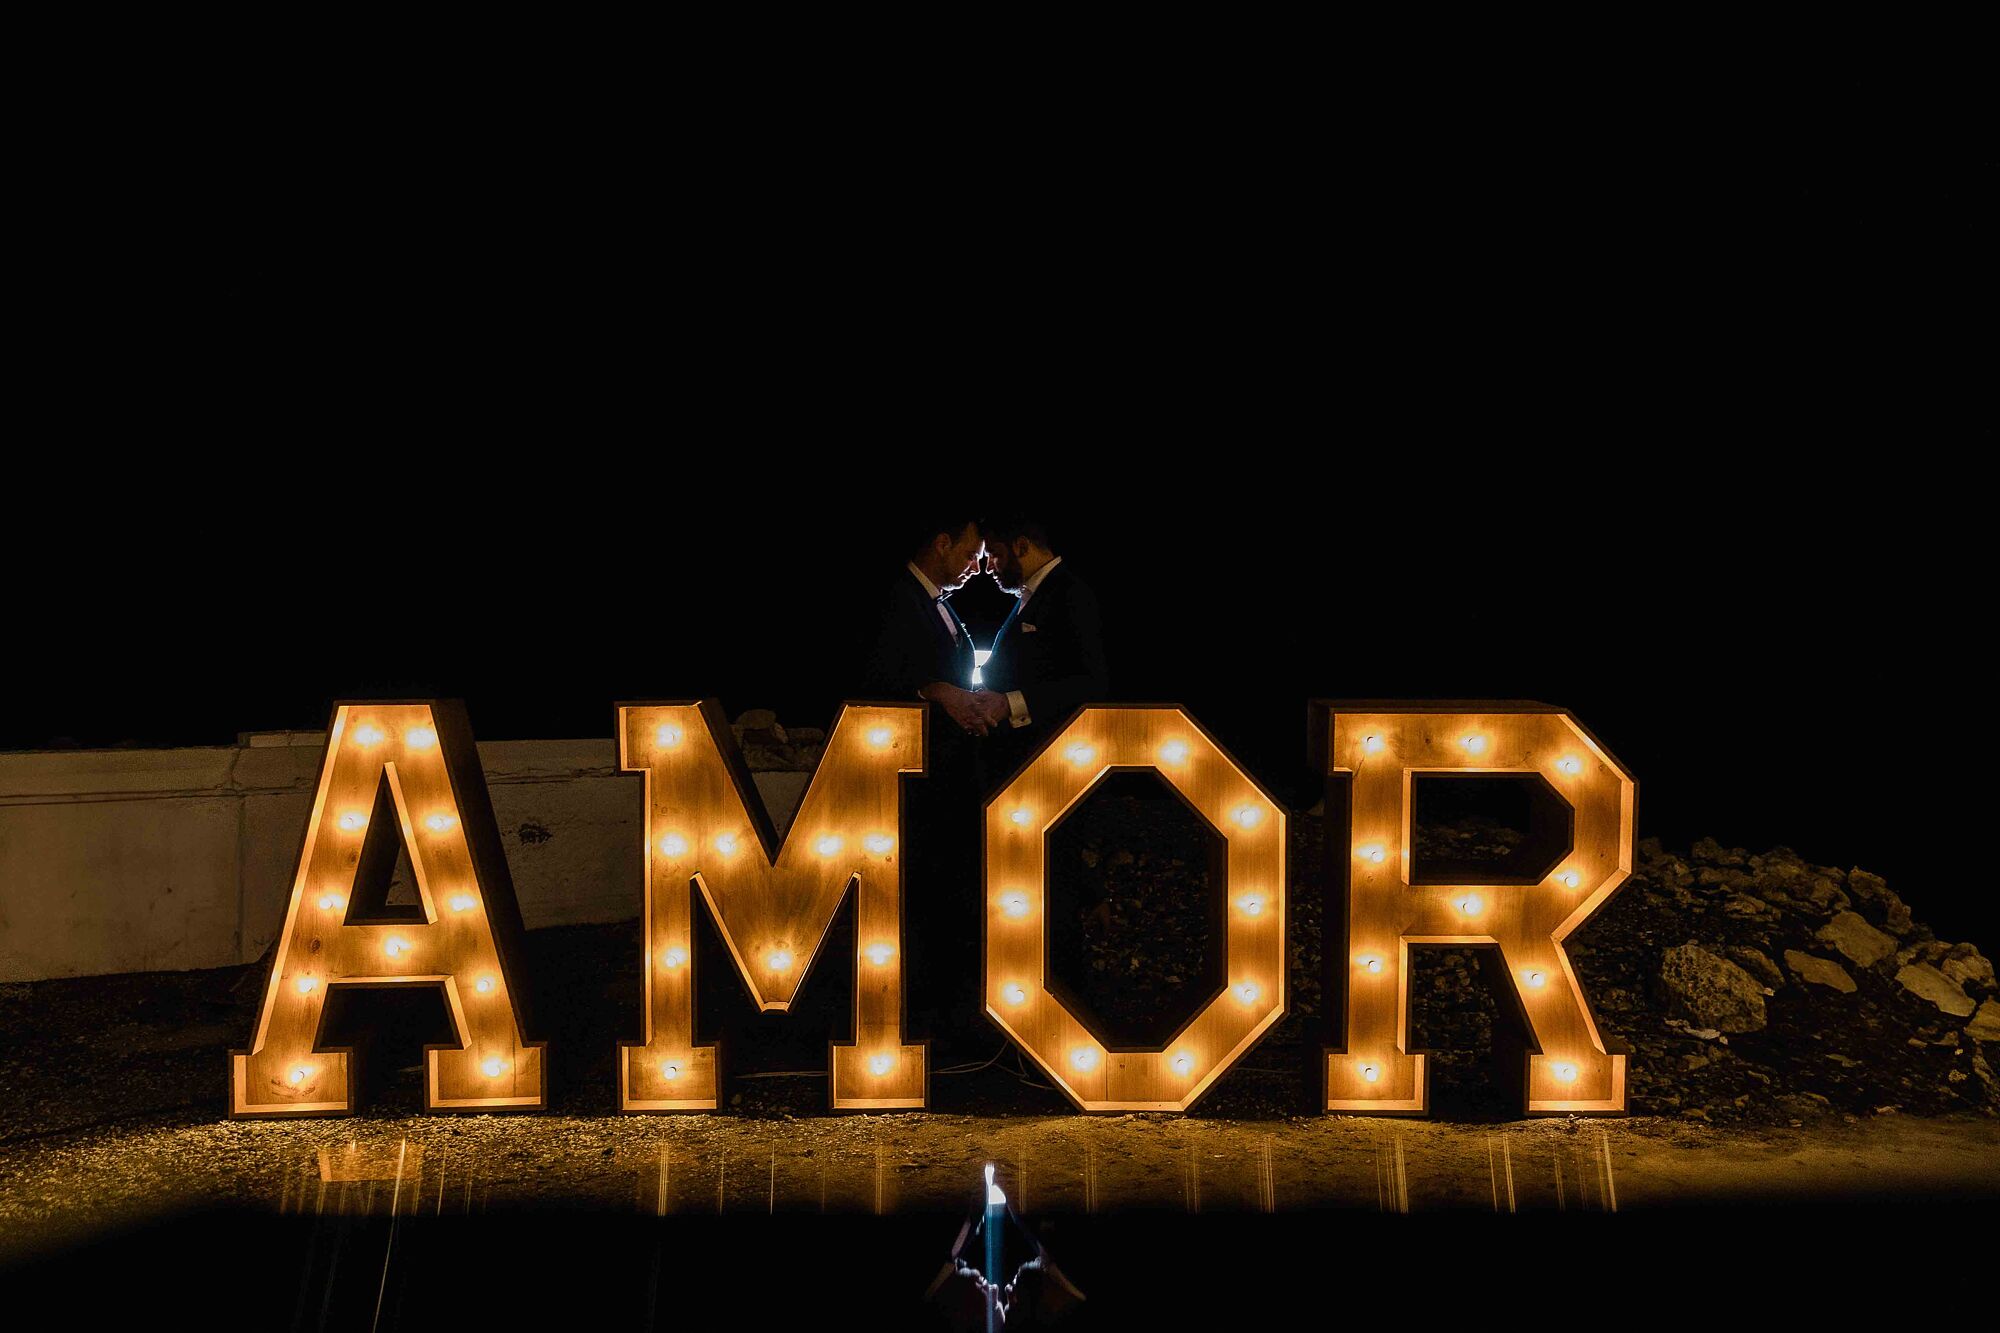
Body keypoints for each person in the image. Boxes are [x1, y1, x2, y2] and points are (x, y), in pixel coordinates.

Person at [859, 517, 1003, 1065]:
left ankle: (943, 1021)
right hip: (916, 787)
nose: (977, 565)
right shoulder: (897, 600)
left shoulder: (935, 602)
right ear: (941, 543)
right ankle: (924, 1027)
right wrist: (933, 689)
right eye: (970, 552)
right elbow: (872, 674)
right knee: (923, 903)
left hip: (945, 780)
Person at [974, 515, 1110, 788]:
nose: (987, 567)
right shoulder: (1038, 592)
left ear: (1022, 547)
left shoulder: (1071, 594)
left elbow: (1092, 682)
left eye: (995, 554)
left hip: (1048, 758)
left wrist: (1009, 703)